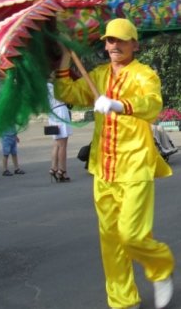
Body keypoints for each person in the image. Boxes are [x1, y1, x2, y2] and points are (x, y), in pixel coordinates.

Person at [54, 18, 174, 309]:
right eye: (109, 40)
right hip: (103, 169)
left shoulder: (144, 74)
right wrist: (64, 57)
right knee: (111, 241)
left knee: (132, 234)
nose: (114, 46)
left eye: (121, 40)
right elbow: (66, 93)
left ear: (135, 44)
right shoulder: (97, 75)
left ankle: (160, 270)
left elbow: (152, 104)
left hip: (135, 166)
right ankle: (123, 300)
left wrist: (120, 105)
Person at [47, 79, 73, 182]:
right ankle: (62, 170)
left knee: (56, 143)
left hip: (53, 112)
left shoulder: (45, 85)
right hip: (60, 110)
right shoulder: (54, 85)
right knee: (62, 144)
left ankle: (54, 167)